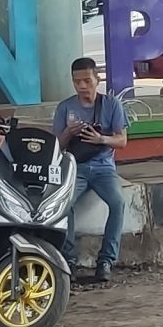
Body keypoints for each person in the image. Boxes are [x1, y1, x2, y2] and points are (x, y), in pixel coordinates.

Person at [51, 56, 128, 285]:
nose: (82, 86)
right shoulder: (65, 107)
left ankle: (106, 260)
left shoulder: (112, 105)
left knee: (118, 203)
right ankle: (69, 259)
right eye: (77, 82)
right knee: (65, 205)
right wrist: (68, 132)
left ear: (98, 79)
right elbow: (56, 147)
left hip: (104, 167)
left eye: (87, 80)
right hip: (76, 167)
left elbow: (122, 140)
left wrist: (100, 138)